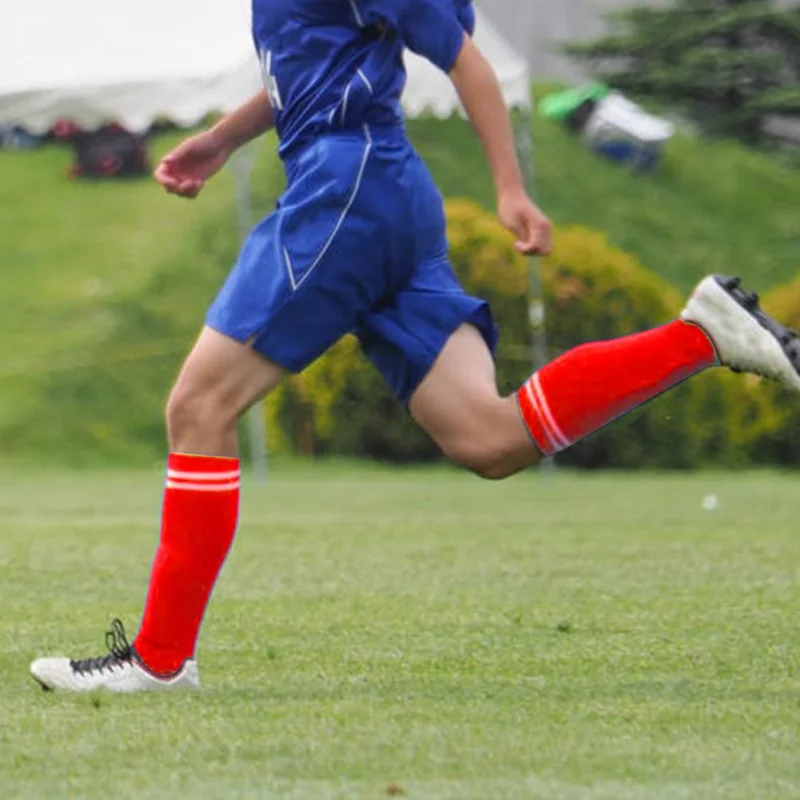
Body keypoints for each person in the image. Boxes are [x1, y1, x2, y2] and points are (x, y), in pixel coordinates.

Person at [31, 0, 800, 693]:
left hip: (346, 190)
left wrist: (510, 188)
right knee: (488, 438)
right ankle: (701, 335)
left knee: (198, 407)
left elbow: (464, 56)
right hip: (385, 193)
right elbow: (309, 63)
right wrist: (223, 139)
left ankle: (160, 660)